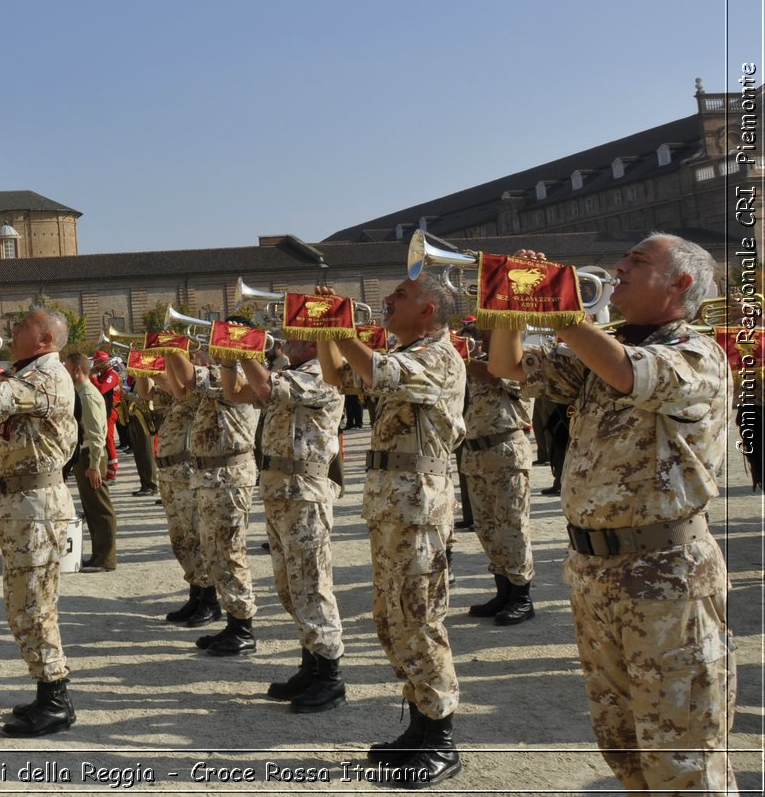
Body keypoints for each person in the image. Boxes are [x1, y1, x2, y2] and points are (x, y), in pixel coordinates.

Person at [488, 234, 737, 794]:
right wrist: (510, 298)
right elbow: (505, 364)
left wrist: (560, 307)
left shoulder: (696, 352)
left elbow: (630, 372)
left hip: (666, 574)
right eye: (624, 259)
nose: (619, 267)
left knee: (684, 757)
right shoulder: (601, 348)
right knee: (622, 743)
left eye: (638, 261)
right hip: (596, 574)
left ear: (679, 285)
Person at [316, 278, 466, 788]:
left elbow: (376, 369)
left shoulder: (440, 356)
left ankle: (441, 738)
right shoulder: (407, 351)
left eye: (397, 296)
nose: (385, 302)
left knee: (419, 617)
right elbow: (338, 376)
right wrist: (321, 329)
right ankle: (421, 722)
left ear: (427, 310)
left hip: (419, 506)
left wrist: (337, 323)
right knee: (392, 617)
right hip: (394, 505)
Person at [0, 308, 77, 737]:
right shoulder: (27, 373)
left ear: (45, 339)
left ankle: (57, 698)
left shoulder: (47, 377)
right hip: (21, 503)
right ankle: (47, 691)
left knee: (35, 605)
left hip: (37, 505)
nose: (11, 331)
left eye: (21, 326)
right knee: (21, 603)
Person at [225, 338, 348, 712]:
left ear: (314, 343)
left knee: (312, 584)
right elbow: (236, 394)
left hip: (305, 491)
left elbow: (263, 387)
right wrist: (230, 360)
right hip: (282, 491)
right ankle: (310, 664)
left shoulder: (322, 374)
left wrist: (243, 349)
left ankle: (329, 676)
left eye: (293, 334)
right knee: (290, 586)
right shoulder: (291, 373)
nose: (282, 340)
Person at [168, 346, 259, 657]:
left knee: (230, 552)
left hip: (229, 474)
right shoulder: (225, 376)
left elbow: (191, 378)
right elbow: (182, 390)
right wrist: (169, 353)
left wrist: (171, 347)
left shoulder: (237, 376)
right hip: (212, 475)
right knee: (215, 551)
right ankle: (234, 621)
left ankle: (243, 626)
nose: (204, 353)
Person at [460, 331, 537, 625]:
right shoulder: (478, 361)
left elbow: (497, 376)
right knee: (487, 527)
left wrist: (464, 358)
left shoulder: (521, 359)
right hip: (477, 455)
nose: (480, 335)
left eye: (487, 329)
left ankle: (521, 596)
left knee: (512, 526)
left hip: (505, 452)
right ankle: (503, 591)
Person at [155, 355, 217, 626]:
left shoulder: (203, 391)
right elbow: (149, 392)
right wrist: (145, 369)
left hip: (187, 473)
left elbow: (181, 387)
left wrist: (169, 356)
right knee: (181, 540)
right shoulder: (179, 394)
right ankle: (195, 593)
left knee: (197, 538)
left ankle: (210, 600)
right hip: (171, 474)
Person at [65, 352, 117, 572]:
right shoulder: (80, 392)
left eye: (67, 368)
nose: (65, 372)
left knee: (100, 508)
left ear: (78, 370)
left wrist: (94, 465)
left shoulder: (87, 394)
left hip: (90, 455)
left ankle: (105, 559)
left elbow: (96, 435)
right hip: (84, 455)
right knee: (91, 506)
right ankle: (98, 556)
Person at [122, 373, 159, 495]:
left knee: (146, 454)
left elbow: (146, 398)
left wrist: (127, 395)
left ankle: (151, 484)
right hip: (135, 418)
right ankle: (144, 483)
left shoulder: (146, 378)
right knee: (139, 454)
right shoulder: (136, 380)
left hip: (144, 418)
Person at [90, 349, 123, 480]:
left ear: (103, 362)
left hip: (111, 410)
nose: (95, 365)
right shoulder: (102, 374)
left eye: (97, 362)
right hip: (103, 410)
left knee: (109, 440)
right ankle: (106, 470)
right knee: (104, 439)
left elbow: (101, 389)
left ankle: (112, 472)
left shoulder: (112, 374)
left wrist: (93, 378)